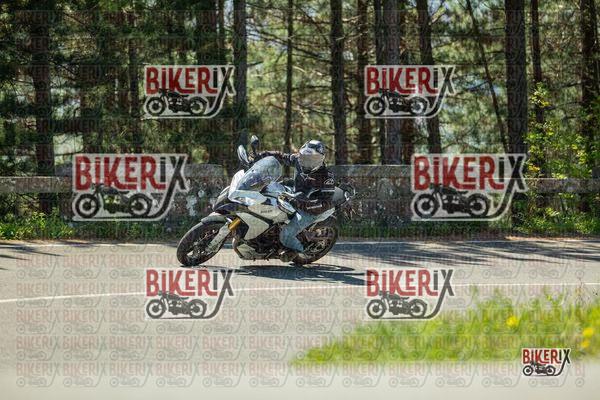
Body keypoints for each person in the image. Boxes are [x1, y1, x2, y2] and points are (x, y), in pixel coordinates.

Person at [255, 140, 335, 261]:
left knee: (286, 235)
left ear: (321, 159)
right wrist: (260, 155)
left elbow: (325, 204)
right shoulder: (299, 160)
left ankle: (298, 251)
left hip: (310, 210)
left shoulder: (326, 177)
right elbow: (281, 157)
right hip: (294, 195)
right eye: (304, 157)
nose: (307, 161)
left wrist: (301, 203)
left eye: (312, 159)